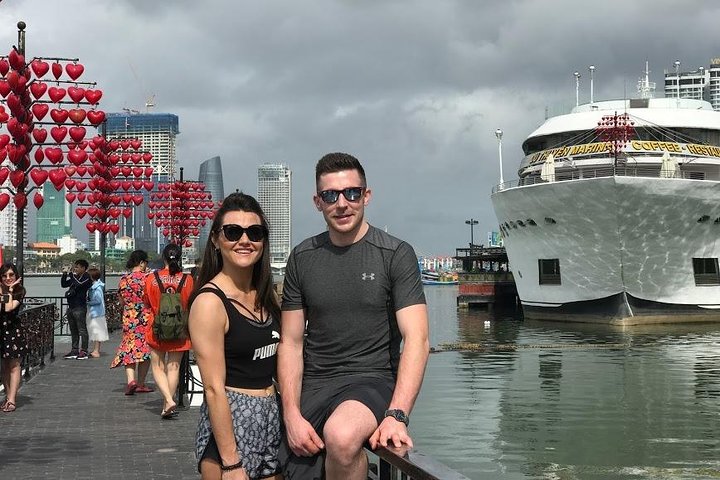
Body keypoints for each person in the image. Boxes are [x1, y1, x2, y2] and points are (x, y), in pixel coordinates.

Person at [278, 152, 430, 480]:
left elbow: (417, 339)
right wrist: (291, 414)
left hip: (372, 378)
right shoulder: (302, 258)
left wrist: (397, 415)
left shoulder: (395, 254)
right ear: (318, 202)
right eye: (330, 195)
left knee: (342, 435)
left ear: (366, 196)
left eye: (352, 193)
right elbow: (290, 342)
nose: (342, 204)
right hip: (315, 383)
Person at [189, 192, 282, 480]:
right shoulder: (210, 302)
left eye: (254, 232)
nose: (244, 240)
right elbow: (213, 388)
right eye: (232, 232)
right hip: (231, 424)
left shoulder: (266, 296)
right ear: (216, 240)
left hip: (271, 418)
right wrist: (231, 463)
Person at [144, 243, 193, 418]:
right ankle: (167, 405)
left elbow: (146, 302)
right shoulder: (188, 280)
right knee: (174, 367)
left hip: (157, 328)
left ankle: (168, 400)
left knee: (158, 366)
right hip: (180, 329)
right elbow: (191, 304)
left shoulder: (152, 278)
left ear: (163, 258)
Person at [111, 250, 154, 395]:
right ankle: (141, 383)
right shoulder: (148, 278)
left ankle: (131, 381)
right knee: (145, 351)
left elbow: (121, 301)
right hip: (145, 317)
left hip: (129, 317)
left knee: (129, 347)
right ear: (141, 262)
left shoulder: (124, 279)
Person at [0, 262, 25, 413]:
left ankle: (12, 399)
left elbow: (8, 308)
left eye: (11, 275)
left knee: (14, 365)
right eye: (4, 276)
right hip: (1, 331)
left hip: (13, 331)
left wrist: (9, 290)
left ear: (16, 275)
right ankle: (8, 396)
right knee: (3, 366)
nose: (8, 278)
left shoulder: (19, 291)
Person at [61, 258, 92, 360]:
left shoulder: (86, 277)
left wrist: (71, 274)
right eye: (75, 267)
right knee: (73, 330)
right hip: (71, 307)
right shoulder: (76, 277)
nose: (75, 269)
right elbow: (64, 284)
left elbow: (79, 284)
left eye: (77, 267)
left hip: (80, 307)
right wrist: (64, 274)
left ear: (83, 268)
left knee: (82, 330)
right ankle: (74, 350)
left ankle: (84, 351)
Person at [85, 267, 109, 358]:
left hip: (97, 313)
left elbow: (98, 300)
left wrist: (88, 302)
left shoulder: (96, 288)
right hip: (97, 312)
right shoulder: (96, 287)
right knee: (96, 332)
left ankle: (96, 350)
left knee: (97, 332)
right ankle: (95, 350)